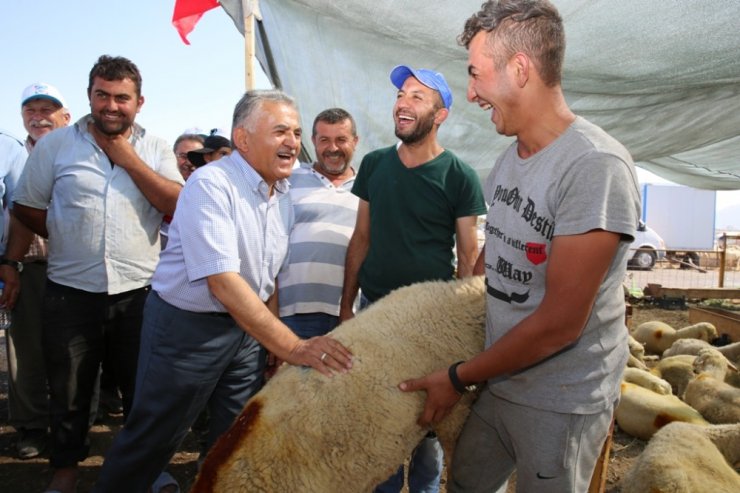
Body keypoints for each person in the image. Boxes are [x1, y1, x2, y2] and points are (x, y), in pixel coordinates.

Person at [398, 2, 642, 492]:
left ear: (520, 68)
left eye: (475, 74)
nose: (469, 93)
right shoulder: (511, 157)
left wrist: (458, 375)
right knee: (465, 481)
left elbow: (559, 325)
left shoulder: (594, 167)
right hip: (500, 377)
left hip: (561, 398)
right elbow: (500, 246)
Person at [93, 89, 353, 493]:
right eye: (280, 131)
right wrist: (292, 346)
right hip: (186, 331)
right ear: (243, 138)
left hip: (244, 334)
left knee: (236, 438)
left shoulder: (281, 194)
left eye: (297, 132)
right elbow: (224, 282)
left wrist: (268, 338)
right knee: (153, 439)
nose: (292, 142)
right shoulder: (210, 185)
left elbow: (266, 273)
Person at [7, 55, 184, 493]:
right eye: (102, 95)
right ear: (89, 96)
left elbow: (176, 204)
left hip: (140, 291)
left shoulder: (156, 147)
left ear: (138, 102)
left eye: (121, 97)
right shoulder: (56, 145)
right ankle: (65, 471)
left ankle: (147, 469)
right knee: (68, 391)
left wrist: (126, 158)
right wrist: (65, 231)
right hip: (70, 291)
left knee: (141, 391)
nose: (111, 105)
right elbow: (26, 203)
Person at [340, 66, 487, 492]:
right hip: (376, 316)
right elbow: (361, 236)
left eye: (418, 96)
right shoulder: (373, 165)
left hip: (430, 324)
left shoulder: (459, 175)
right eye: (401, 94)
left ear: (439, 115)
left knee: (428, 423)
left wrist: (461, 331)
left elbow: (468, 256)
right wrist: (346, 307)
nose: (403, 102)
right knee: (379, 419)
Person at [1, 83, 70, 460]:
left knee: (72, 354)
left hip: (73, 269)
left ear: (65, 116)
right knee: (25, 353)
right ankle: (31, 427)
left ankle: (71, 424)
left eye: (48, 109)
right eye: (31, 110)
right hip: (26, 268)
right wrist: (9, 264)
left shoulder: (79, 154)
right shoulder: (12, 155)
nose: (39, 116)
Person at [278, 108, 360, 338]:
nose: (333, 148)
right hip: (290, 313)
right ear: (313, 141)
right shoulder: (287, 182)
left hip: (347, 314)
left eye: (341, 139)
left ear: (355, 141)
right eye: (324, 140)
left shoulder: (368, 187)